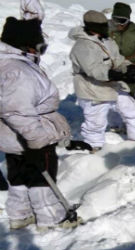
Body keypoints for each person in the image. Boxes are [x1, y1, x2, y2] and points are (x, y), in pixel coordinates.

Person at [0, 17, 82, 230]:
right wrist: (37, 142)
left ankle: (20, 215)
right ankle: (51, 219)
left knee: (18, 176)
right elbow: (18, 112)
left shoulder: (9, 64)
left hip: (10, 137)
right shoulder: (19, 72)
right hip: (31, 133)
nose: (41, 49)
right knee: (41, 177)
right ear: (25, 44)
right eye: (39, 44)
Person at [69, 10, 135, 152]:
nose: (106, 27)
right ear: (92, 26)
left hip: (111, 85)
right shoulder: (83, 45)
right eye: (102, 25)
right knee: (96, 123)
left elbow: (118, 60)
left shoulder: (107, 41)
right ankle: (94, 146)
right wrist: (118, 75)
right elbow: (94, 70)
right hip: (92, 89)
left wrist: (133, 69)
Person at [109, 2, 135, 98]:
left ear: (128, 20)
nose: (119, 24)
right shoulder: (105, 32)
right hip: (108, 72)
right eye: (116, 20)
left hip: (129, 73)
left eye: (122, 21)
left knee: (128, 99)